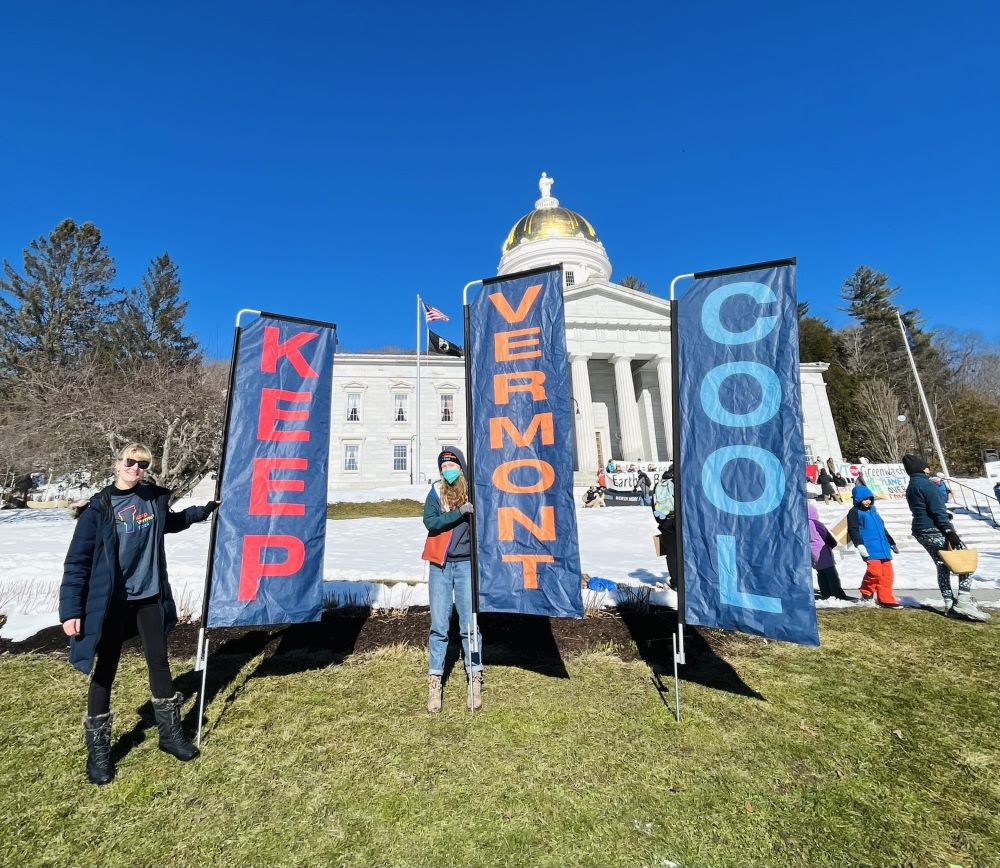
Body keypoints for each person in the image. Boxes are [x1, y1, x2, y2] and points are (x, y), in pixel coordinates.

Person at [59, 443, 218, 785]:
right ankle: (99, 750)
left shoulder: (151, 499)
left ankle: (170, 735)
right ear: (117, 464)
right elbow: (77, 563)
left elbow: (169, 523)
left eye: (142, 464)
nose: (135, 468)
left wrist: (202, 512)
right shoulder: (98, 509)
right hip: (112, 602)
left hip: (149, 595)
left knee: (159, 662)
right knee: (105, 670)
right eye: (130, 462)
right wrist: (71, 609)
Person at [422, 448, 484, 712]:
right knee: (439, 625)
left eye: (452, 464)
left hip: (466, 565)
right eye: (444, 466)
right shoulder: (436, 492)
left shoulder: (472, 491)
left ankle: (475, 676)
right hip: (441, 566)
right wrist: (459, 514)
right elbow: (431, 522)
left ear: (461, 467)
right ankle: (436, 680)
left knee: (470, 626)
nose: (448, 470)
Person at [903, 454, 990, 622]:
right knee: (965, 561)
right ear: (923, 469)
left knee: (942, 565)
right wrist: (950, 531)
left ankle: (949, 604)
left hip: (921, 531)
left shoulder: (911, 486)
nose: (929, 469)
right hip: (935, 530)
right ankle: (964, 601)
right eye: (927, 466)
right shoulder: (927, 485)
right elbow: (937, 510)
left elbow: (924, 509)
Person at [847, 484, 902, 608]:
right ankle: (866, 592)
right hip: (870, 548)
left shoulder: (874, 511)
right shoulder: (854, 512)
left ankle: (886, 599)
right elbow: (853, 530)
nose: (867, 501)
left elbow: (883, 529)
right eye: (864, 499)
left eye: (869, 499)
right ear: (857, 499)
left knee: (888, 575)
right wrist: (860, 545)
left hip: (884, 547)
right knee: (874, 572)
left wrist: (891, 542)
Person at [808, 503, 850, 600]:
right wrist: (832, 544)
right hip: (821, 550)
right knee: (831, 573)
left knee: (821, 572)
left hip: (811, 551)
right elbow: (825, 535)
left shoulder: (801, 525)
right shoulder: (815, 523)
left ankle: (825, 593)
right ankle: (838, 593)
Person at [651, 467, 678, 591]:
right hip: (680, 519)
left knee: (671, 552)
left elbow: (653, 504)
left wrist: (661, 520)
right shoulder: (679, 482)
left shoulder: (659, 484)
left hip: (665, 520)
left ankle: (676, 581)